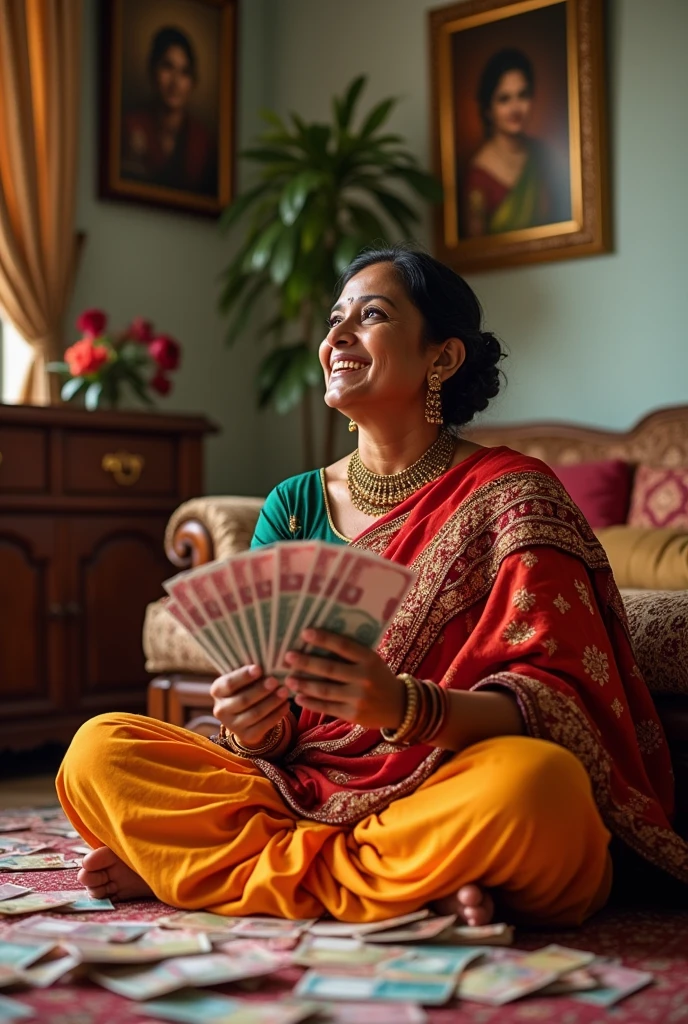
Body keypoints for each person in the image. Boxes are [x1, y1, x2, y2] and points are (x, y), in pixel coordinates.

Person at [57, 248, 688, 926]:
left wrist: (404, 704)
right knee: (99, 749)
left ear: (442, 358)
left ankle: (198, 872)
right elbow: (281, 722)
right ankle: (415, 885)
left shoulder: (514, 493)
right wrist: (254, 728)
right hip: (304, 786)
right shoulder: (294, 505)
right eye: (335, 320)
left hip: (442, 780)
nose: (336, 338)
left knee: (541, 789)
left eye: (372, 315)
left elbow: (563, 702)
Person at [462, 49, 568, 237]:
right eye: (504, 99)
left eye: (523, 95)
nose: (515, 108)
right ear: (488, 109)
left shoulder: (544, 155)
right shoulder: (479, 174)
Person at [121, 26, 217, 196]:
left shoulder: (203, 140)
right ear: (152, 70)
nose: (175, 82)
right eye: (167, 67)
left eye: (184, 72)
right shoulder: (131, 125)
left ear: (193, 82)